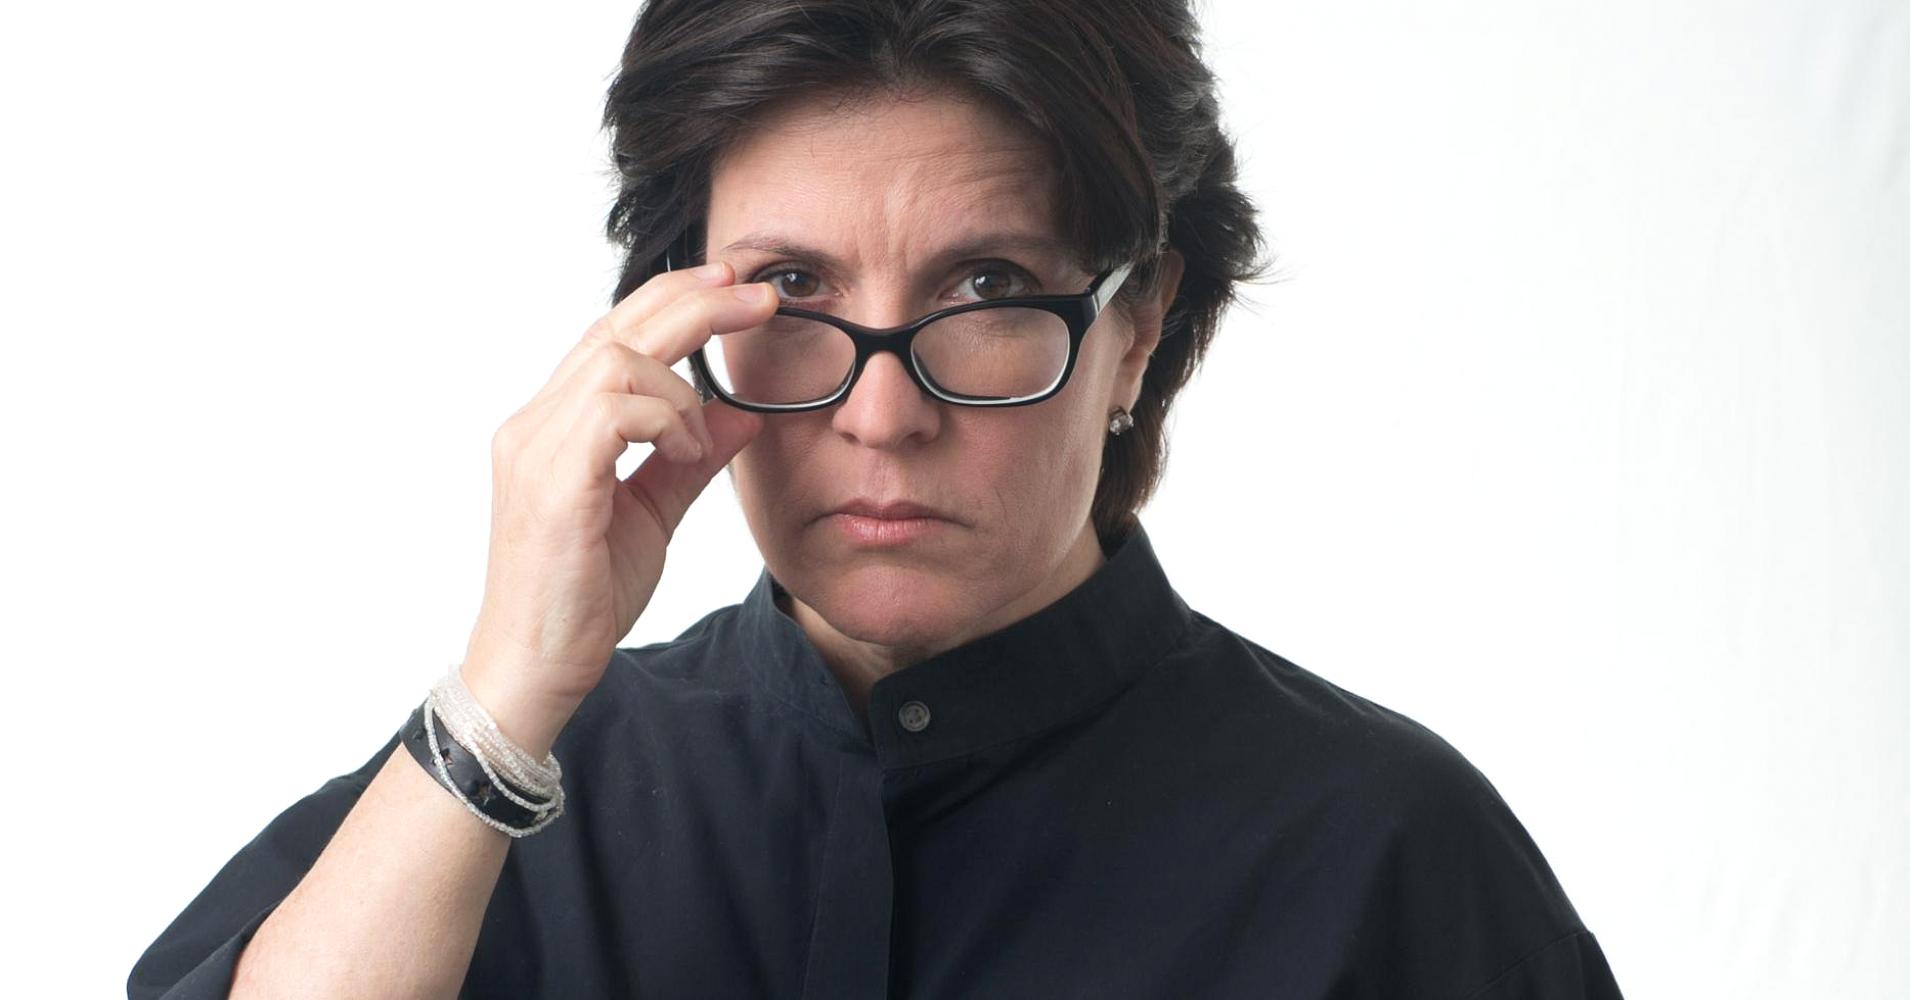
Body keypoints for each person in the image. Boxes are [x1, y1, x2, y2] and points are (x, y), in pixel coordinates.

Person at [129, 1, 1624, 997]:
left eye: (985, 289)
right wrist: (508, 683)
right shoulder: (498, 806)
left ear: (1138, 326)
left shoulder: (1388, 854)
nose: (883, 415)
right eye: (791, 288)